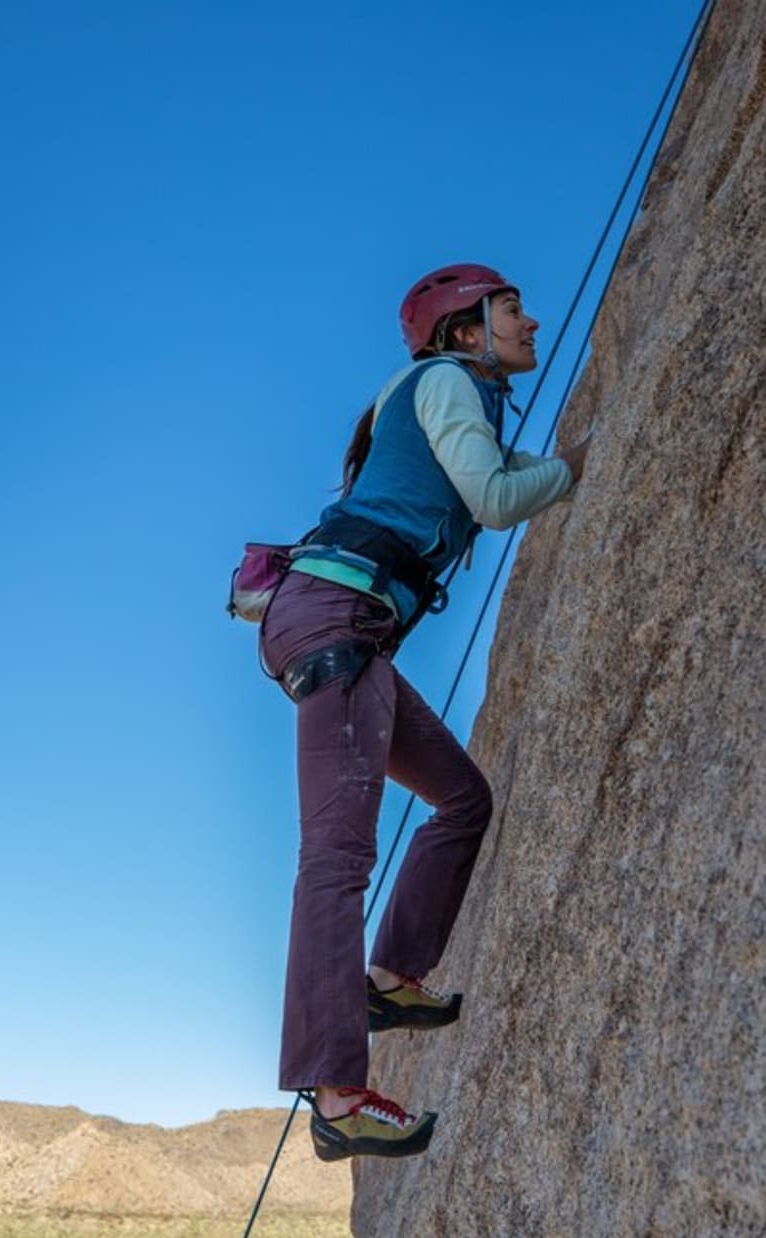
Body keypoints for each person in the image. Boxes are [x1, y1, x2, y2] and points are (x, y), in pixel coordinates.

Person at [258, 263, 589, 1161]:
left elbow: (514, 474)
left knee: (462, 799)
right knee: (335, 857)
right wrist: (575, 466)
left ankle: (392, 977)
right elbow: (498, 498)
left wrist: (569, 464)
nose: (530, 321)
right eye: (511, 309)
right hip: (339, 619)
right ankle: (336, 1094)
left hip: (343, 623)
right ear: (465, 330)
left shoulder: (453, 400)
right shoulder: (444, 382)